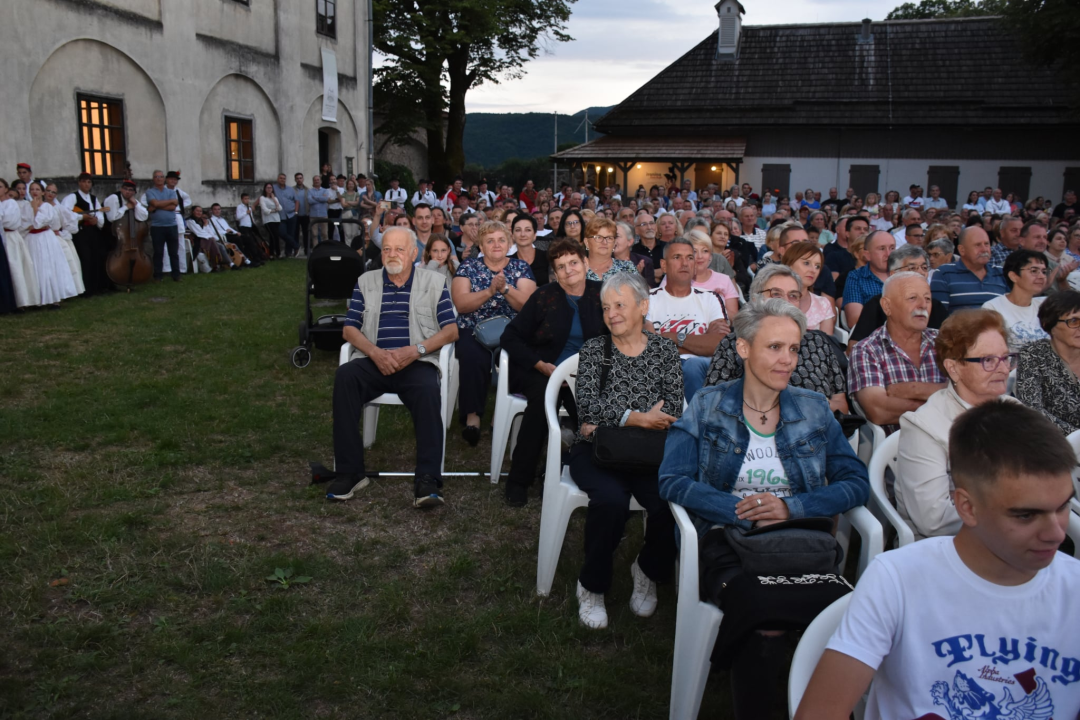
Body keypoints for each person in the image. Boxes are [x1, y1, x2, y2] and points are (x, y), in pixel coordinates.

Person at [794, 401, 1080, 720]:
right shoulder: (899, 580)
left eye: (1063, 507)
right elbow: (821, 711)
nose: (1056, 533)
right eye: (1027, 515)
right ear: (967, 507)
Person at [661, 298, 869, 720]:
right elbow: (672, 479)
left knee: (848, 619)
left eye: (793, 348)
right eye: (774, 347)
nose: (787, 359)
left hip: (803, 544)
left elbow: (856, 483)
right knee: (766, 621)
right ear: (743, 349)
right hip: (732, 544)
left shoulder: (813, 408)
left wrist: (792, 507)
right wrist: (741, 509)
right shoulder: (708, 404)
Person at [571, 272, 683, 629]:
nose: (612, 313)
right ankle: (591, 585)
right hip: (597, 451)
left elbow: (673, 407)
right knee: (610, 502)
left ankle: (647, 569)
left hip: (650, 454)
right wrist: (638, 417)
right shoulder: (594, 350)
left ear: (643, 306)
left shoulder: (665, 350)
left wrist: (617, 416)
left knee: (669, 502)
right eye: (606, 307)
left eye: (620, 305)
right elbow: (586, 408)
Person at [324, 227, 459, 507]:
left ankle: (427, 479)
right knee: (345, 377)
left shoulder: (434, 282)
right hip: (374, 360)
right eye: (386, 249)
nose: (392, 254)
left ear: (413, 253)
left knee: (426, 389)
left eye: (399, 249)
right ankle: (350, 472)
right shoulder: (366, 281)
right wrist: (374, 353)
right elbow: (350, 329)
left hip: (416, 361)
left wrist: (416, 350)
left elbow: (451, 330)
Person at [500, 239, 606, 507]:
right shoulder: (544, 296)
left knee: (594, 411)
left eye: (573, 262)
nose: (568, 270)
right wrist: (540, 365)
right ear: (555, 274)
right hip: (543, 368)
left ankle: (601, 478)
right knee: (540, 404)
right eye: (561, 266)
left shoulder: (604, 294)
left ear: (585, 263)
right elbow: (510, 337)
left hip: (587, 374)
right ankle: (519, 479)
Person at [896, 310, 1017, 540]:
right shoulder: (925, 427)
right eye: (988, 360)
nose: (1003, 369)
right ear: (954, 368)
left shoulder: (1016, 412)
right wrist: (1016, 510)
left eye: (1005, 358)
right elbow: (935, 520)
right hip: (948, 549)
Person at [705, 264, 849, 412]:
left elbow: (841, 405)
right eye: (776, 294)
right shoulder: (734, 344)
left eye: (793, 295)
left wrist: (810, 408)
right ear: (755, 299)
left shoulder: (818, 342)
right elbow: (713, 402)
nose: (785, 301)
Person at [451, 220, 537, 446]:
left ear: (509, 242)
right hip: (472, 327)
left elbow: (528, 305)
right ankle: (473, 417)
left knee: (516, 356)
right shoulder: (468, 267)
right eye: (490, 240)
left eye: (501, 240)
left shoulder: (521, 267)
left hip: (512, 330)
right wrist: (490, 291)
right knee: (472, 356)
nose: (496, 245)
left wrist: (506, 289)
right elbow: (461, 304)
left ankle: (502, 414)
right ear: (481, 244)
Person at [848, 272, 947, 434]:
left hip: (953, 443)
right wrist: (946, 398)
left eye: (927, 298)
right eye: (912, 298)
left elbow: (969, 392)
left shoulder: (945, 341)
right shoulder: (866, 350)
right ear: (887, 306)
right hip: (898, 451)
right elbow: (879, 411)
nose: (923, 305)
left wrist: (914, 389)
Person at [646, 238, 730, 402]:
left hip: (701, 370)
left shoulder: (710, 298)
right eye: (677, 257)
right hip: (661, 369)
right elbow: (650, 346)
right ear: (663, 265)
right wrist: (699, 343)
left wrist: (675, 337)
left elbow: (719, 344)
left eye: (690, 258)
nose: (685, 263)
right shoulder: (647, 299)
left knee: (692, 366)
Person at [848, 245, 948, 346]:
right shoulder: (877, 304)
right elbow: (854, 346)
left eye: (924, 267)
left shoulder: (935, 305)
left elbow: (952, 343)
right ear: (894, 274)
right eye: (912, 268)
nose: (921, 272)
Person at [1016, 290, 1080, 434]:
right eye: (1074, 321)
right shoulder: (1034, 354)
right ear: (1049, 324)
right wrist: (1077, 437)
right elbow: (1031, 410)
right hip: (1055, 444)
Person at [19, 182, 78, 304]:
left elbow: (39, 223)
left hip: (45, 237)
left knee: (48, 265)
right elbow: (24, 224)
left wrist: (35, 209)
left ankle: (54, 298)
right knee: (34, 266)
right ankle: (37, 298)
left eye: (37, 189)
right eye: (32, 189)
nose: (34, 191)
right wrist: (31, 220)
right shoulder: (25, 206)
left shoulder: (47, 207)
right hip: (31, 239)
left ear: (42, 192)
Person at [660, 230, 740, 319]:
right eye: (694, 251)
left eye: (705, 251)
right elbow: (663, 311)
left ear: (710, 255)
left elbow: (733, 317)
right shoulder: (672, 278)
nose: (700, 256)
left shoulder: (724, 280)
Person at [930, 226, 1008, 315]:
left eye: (986, 244)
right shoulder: (944, 274)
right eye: (978, 245)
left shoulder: (1001, 273)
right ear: (962, 250)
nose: (984, 249)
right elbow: (939, 317)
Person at [982, 249, 1050, 350]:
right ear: (1013, 276)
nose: (1041, 276)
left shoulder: (1046, 305)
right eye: (1034, 271)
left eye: (1044, 272)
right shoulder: (993, 308)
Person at [61, 172, 108, 295]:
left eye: (89, 182)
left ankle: (97, 286)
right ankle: (86, 288)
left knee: (96, 257)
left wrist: (96, 220)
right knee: (85, 258)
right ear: (79, 182)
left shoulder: (93, 198)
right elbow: (65, 212)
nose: (86, 184)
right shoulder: (72, 197)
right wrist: (80, 217)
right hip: (81, 232)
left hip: (92, 231)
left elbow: (99, 213)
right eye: (83, 181)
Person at [842, 229, 894, 329]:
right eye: (881, 248)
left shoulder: (905, 276)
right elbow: (854, 320)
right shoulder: (856, 277)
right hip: (873, 337)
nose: (888, 254)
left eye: (892, 248)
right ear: (867, 255)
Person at [782, 241, 835, 333]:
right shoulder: (772, 296)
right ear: (789, 264)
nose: (813, 270)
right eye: (806, 263)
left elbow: (827, 343)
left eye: (817, 266)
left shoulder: (823, 304)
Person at [43, 183, 85, 296]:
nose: (50, 194)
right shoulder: (39, 207)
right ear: (44, 192)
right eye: (48, 191)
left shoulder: (59, 208)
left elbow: (72, 225)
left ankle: (65, 290)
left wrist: (61, 233)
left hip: (57, 239)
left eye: (53, 192)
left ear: (56, 195)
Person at [143, 170, 180, 281]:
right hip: (157, 227)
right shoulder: (150, 192)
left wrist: (158, 205)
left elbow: (173, 206)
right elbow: (154, 203)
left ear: (164, 179)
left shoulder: (171, 191)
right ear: (153, 179)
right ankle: (158, 275)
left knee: (173, 252)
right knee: (158, 252)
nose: (159, 178)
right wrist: (167, 202)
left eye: (161, 176)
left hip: (171, 225)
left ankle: (176, 275)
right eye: (156, 176)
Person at [583, 217, 636, 282]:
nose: (604, 242)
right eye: (598, 237)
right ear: (587, 242)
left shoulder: (627, 268)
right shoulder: (577, 270)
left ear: (614, 243)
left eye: (609, 238)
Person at [510, 214, 548, 285]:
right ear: (513, 235)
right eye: (518, 230)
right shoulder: (508, 262)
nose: (523, 234)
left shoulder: (547, 257)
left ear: (535, 235)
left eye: (528, 230)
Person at [259, 183, 283, 258]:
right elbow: (265, 211)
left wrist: (274, 200)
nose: (269, 189)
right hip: (268, 220)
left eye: (270, 188)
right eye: (267, 188)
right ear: (265, 189)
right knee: (274, 236)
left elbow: (280, 208)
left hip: (276, 220)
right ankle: (276, 253)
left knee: (274, 236)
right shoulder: (262, 198)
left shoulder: (274, 198)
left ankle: (273, 254)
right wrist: (274, 210)